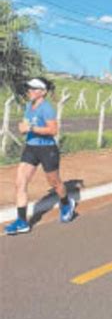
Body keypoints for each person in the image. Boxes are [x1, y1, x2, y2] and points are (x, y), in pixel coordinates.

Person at [4, 77, 75, 235]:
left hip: (47, 149)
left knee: (54, 182)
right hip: (31, 148)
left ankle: (65, 203)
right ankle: (22, 221)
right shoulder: (29, 105)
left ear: (42, 92)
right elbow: (27, 123)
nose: (29, 91)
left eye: (32, 88)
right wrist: (24, 127)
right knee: (20, 182)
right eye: (28, 88)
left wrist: (31, 128)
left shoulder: (47, 108)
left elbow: (53, 130)